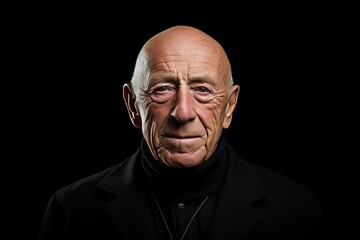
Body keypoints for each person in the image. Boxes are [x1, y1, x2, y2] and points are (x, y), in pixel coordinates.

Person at [39, 25, 326, 240]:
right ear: (132, 106)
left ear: (230, 107)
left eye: (203, 90)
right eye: (162, 89)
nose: (183, 112)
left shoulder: (295, 210)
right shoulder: (72, 210)